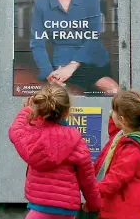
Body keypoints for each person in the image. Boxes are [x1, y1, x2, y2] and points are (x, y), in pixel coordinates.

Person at [29, 0, 119, 96]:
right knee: (70, 104)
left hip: (92, 60)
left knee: (117, 93)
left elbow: (93, 36)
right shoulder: (41, 3)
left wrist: (72, 66)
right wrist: (49, 74)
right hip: (62, 65)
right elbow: (37, 44)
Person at [8, 85, 101, 219]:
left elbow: (15, 131)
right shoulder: (75, 139)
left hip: (39, 206)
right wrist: (94, 204)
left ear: (39, 108)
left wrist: (26, 111)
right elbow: (87, 178)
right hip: (67, 210)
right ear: (67, 111)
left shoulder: (34, 134)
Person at [82, 90, 140, 219]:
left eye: (114, 112)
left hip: (125, 211)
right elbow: (114, 128)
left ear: (122, 120)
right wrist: (116, 110)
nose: (111, 114)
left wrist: (93, 196)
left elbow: (114, 180)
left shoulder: (132, 150)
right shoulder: (122, 135)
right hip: (121, 207)